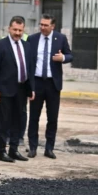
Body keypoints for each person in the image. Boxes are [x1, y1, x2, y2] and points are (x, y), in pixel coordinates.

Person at [27, 14, 73, 159]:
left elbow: (70, 55)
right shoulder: (32, 39)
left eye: (46, 25)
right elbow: (28, 61)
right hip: (37, 82)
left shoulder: (60, 38)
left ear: (52, 26)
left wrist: (63, 58)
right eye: (41, 24)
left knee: (52, 118)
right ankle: (33, 147)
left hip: (53, 84)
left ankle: (49, 148)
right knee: (34, 117)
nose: (42, 27)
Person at [0, 16, 35, 162]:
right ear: (9, 28)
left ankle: (14, 149)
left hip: (22, 90)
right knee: (3, 121)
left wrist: (31, 89)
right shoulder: (0, 45)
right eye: (15, 29)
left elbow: (30, 69)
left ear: (24, 30)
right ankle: (1, 151)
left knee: (18, 120)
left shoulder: (27, 46)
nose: (17, 33)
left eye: (20, 30)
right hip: (4, 90)